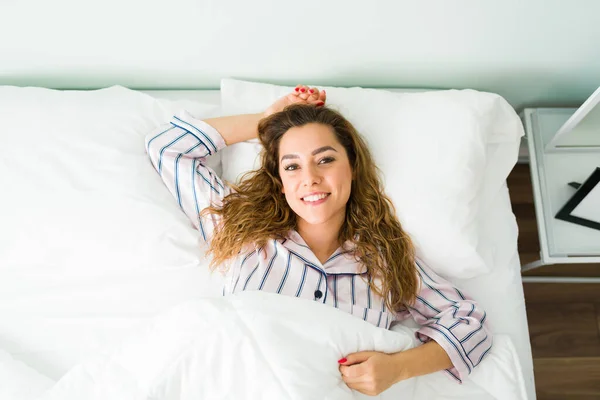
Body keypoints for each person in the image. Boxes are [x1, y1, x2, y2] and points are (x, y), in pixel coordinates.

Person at [145, 85, 492, 396]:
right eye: (292, 166)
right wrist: (267, 120)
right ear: (280, 181)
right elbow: (167, 148)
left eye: (325, 160)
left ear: (352, 167)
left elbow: (470, 324)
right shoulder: (242, 236)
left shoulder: (386, 260)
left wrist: (398, 368)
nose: (309, 179)